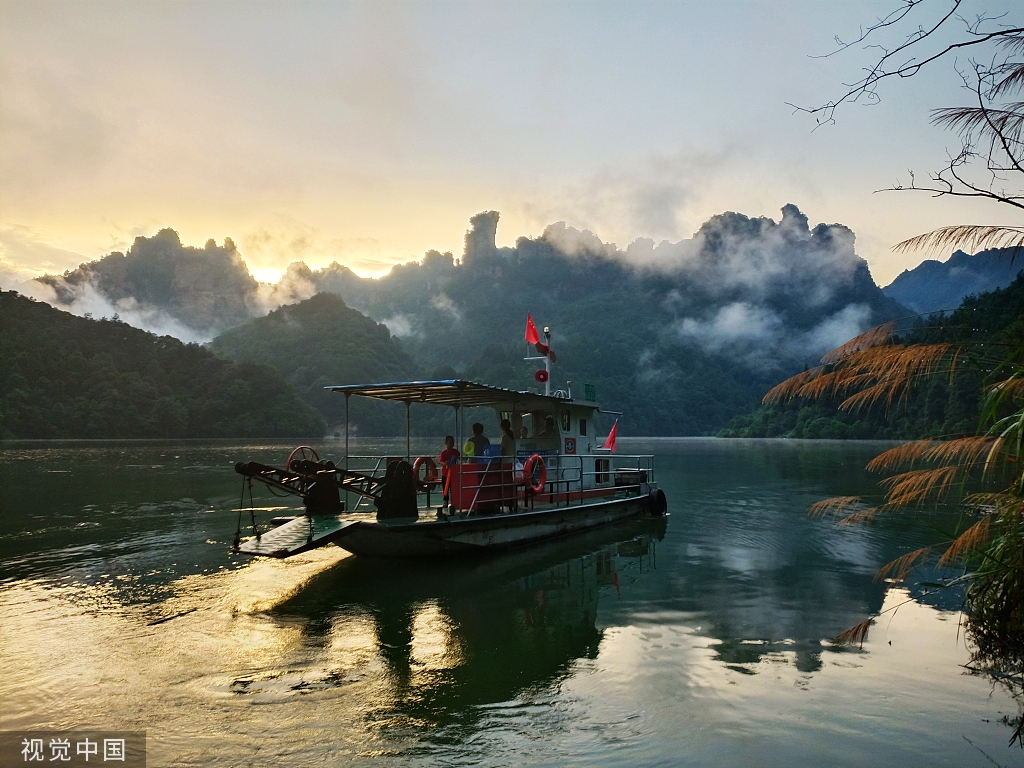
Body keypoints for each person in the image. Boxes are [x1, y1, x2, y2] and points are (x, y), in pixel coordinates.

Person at [438, 435, 460, 510]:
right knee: (445, 488)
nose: (451, 444)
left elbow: (459, 458)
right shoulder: (444, 453)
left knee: (454, 488)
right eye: (450, 442)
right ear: (446, 443)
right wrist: (446, 463)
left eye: (453, 442)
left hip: (454, 474)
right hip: (445, 473)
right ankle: (445, 501)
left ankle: (454, 502)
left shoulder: (456, 452)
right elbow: (440, 461)